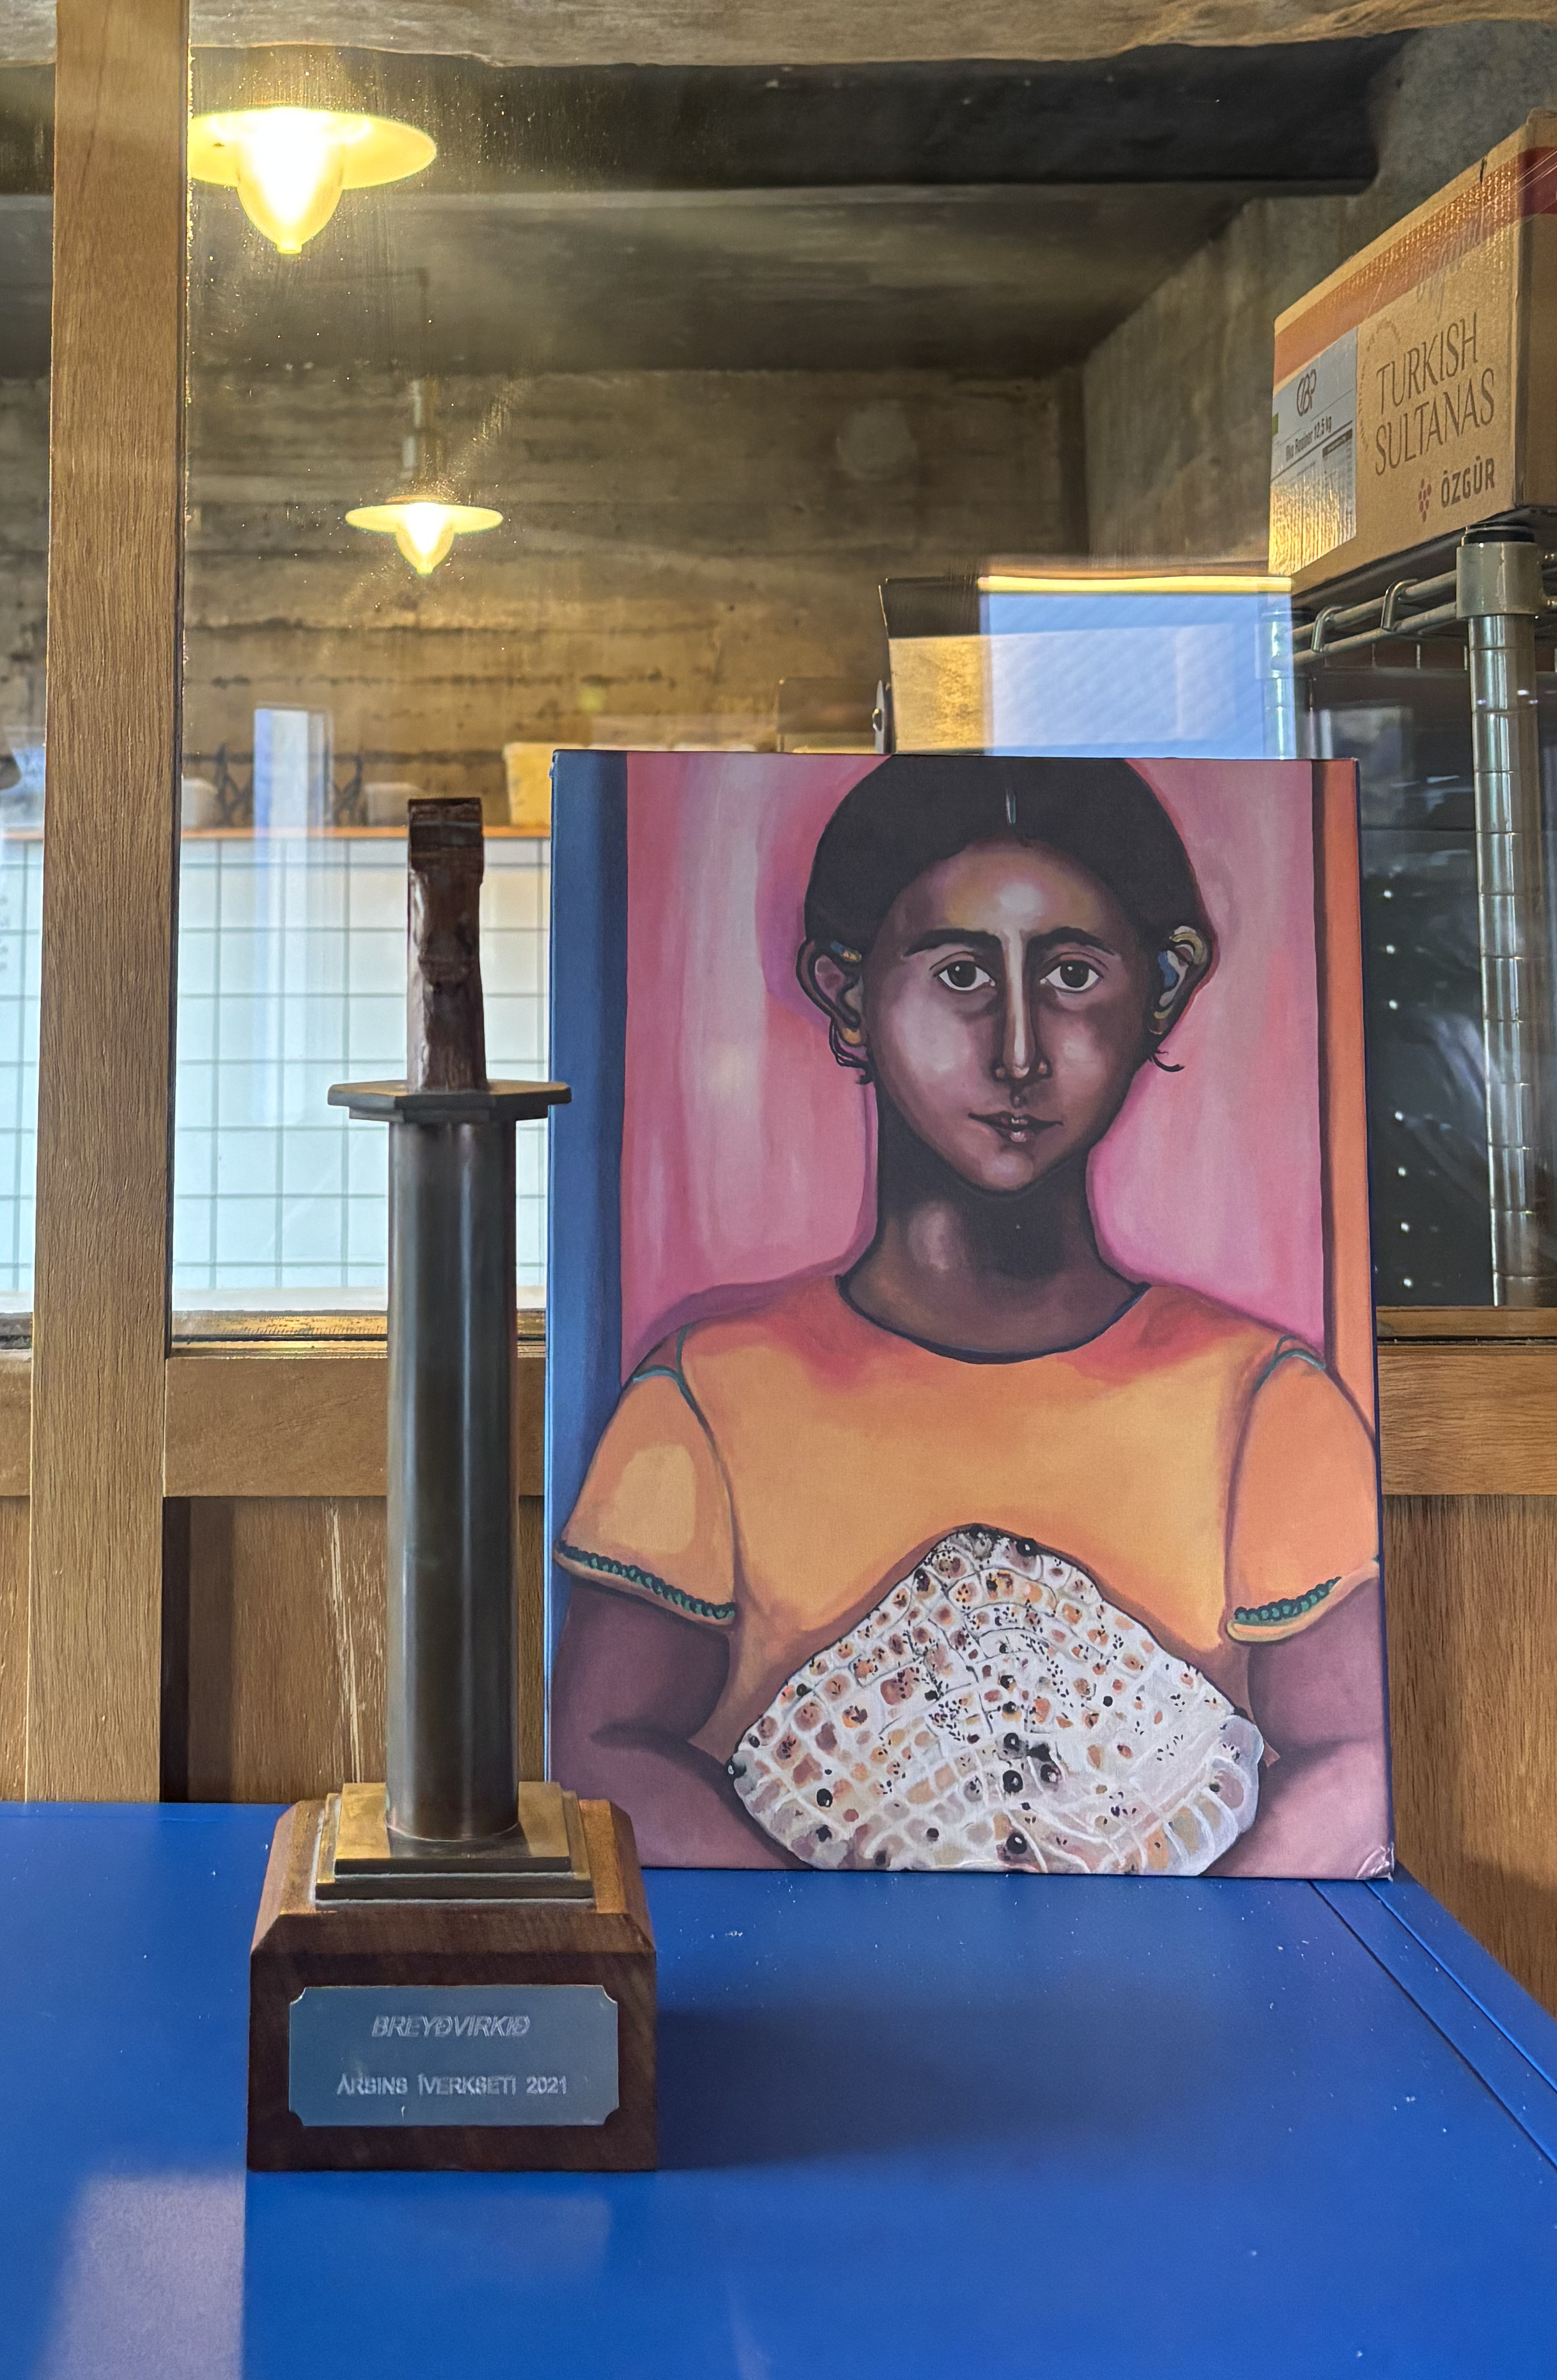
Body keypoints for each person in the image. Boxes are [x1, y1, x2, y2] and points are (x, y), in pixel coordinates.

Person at [551, 756, 1386, 1874]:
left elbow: (1356, 1760)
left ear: (1163, 990)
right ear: (847, 991)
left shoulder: (1262, 1402)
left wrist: (1188, 1940)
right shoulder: (708, 1397)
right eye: (959, 975)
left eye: (1074, 975)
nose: (1019, 1052)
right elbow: (602, 1753)